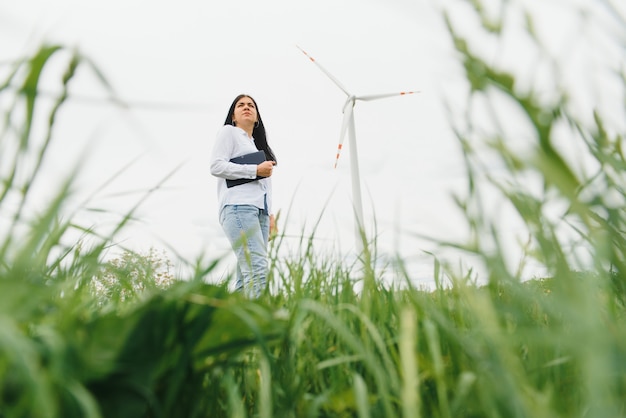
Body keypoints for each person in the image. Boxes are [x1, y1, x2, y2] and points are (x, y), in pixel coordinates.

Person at [210, 94, 278, 298]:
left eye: (251, 105)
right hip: (239, 207)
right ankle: (255, 326)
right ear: (233, 116)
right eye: (240, 105)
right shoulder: (228, 132)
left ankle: (234, 324)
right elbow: (216, 166)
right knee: (257, 270)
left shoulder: (257, 147)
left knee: (245, 276)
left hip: (260, 213)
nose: (246, 107)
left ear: (257, 118)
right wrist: (255, 170)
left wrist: (270, 215)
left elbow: (263, 187)